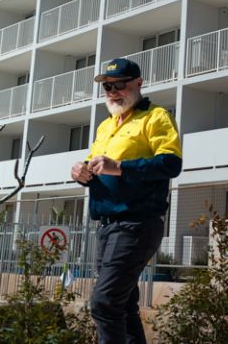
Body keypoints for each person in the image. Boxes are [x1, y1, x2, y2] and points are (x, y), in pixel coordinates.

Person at [70, 58, 182, 344]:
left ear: (138, 84)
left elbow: (170, 164)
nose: (112, 91)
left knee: (104, 303)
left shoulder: (156, 117)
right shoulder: (106, 126)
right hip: (107, 226)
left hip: (136, 223)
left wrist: (120, 167)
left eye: (120, 85)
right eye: (107, 86)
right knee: (122, 306)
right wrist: (81, 171)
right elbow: (96, 165)